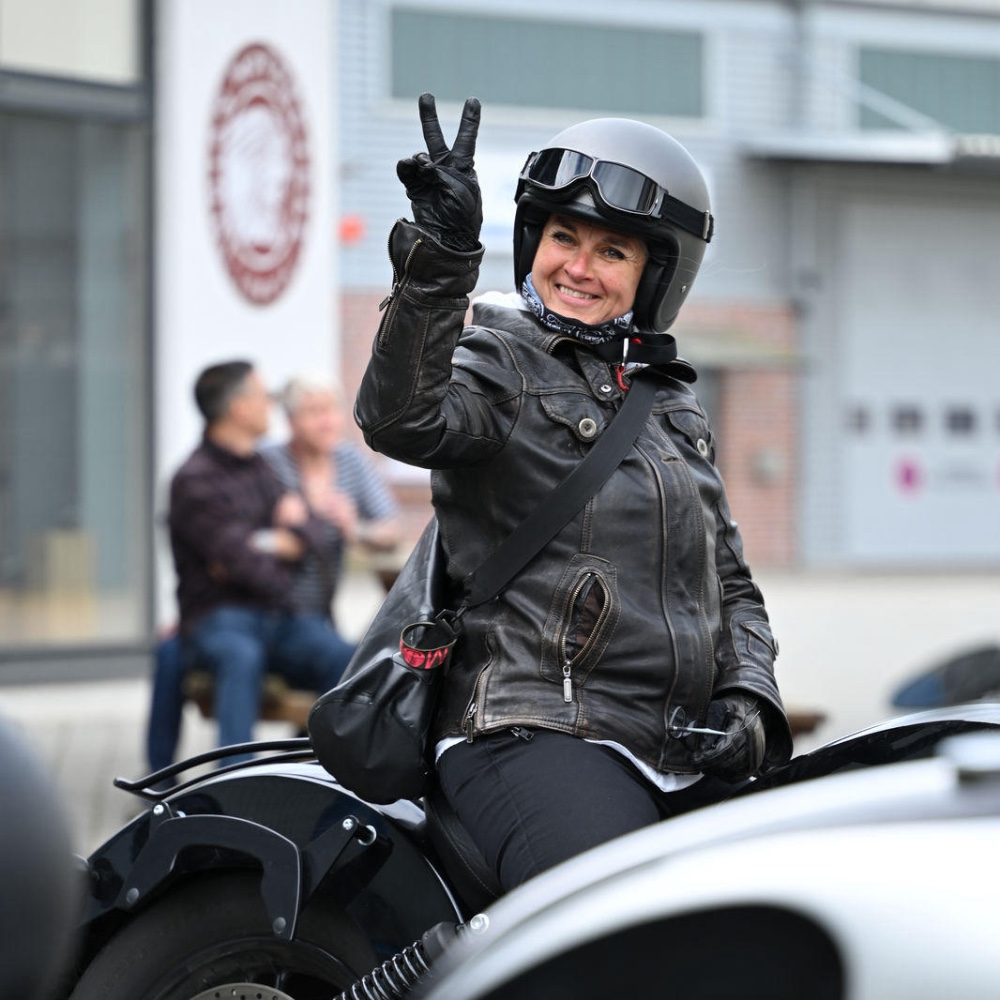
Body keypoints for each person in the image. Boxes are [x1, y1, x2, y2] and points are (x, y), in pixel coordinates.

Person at [352, 94, 794, 891]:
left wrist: (749, 698)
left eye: (611, 251)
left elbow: (729, 583)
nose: (577, 268)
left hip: (674, 745)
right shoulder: (500, 362)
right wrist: (439, 261)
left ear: (657, 274)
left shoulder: (670, 403)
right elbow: (400, 419)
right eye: (563, 237)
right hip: (530, 726)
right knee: (609, 920)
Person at [161, 360, 350, 763]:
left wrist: (262, 543)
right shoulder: (194, 480)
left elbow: (312, 533)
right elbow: (238, 563)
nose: (271, 404)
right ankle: (236, 785)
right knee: (240, 657)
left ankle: (328, 774)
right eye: (264, 396)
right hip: (219, 619)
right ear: (239, 408)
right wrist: (277, 544)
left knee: (344, 656)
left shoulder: (260, 468)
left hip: (278, 619)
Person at [261, 375, 400, 632]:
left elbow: (391, 528)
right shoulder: (268, 462)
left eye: (333, 410)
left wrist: (354, 528)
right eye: (314, 412)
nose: (327, 422)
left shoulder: (350, 460)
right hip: (266, 610)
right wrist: (276, 522)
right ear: (290, 420)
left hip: (320, 614)